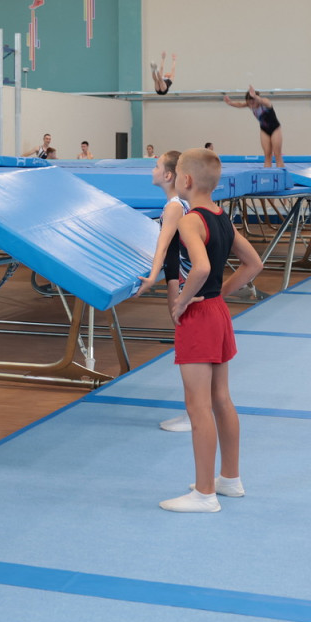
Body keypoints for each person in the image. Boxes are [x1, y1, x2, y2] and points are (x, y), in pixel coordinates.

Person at [158, 148, 264, 512]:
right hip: (218, 311)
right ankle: (229, 479)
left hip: (200, 316)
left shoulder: (191, 220)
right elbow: (254, 263)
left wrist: (182, 301)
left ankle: (204, 493)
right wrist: (221, 293)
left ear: (186, 180)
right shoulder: (222, 218)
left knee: (198, 406)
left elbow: (200, 268)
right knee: (221, 399)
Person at [139, 151, 195, 434]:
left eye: (156, 166)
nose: (153, 170)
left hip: (180, 279)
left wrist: (152, 277)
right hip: (180, 276)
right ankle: (192, 411)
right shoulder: (182, 203)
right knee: (188, 347)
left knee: (188, 350)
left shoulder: (174, 207)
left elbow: (162, 246)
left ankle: (193, 414)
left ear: (168, 175)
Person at [222, 86, 283, 167]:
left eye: (253, 102)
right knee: (267, 155)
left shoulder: (265, 103)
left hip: (275, 129)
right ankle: (268, 173)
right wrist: (230, 103)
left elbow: (261, 100)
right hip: (264, 130)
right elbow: (240, 104)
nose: (251, 105)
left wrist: (254, 96)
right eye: (249, 103)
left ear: (256, 99)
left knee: (277, 154)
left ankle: (280, 172)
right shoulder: (250, 105)